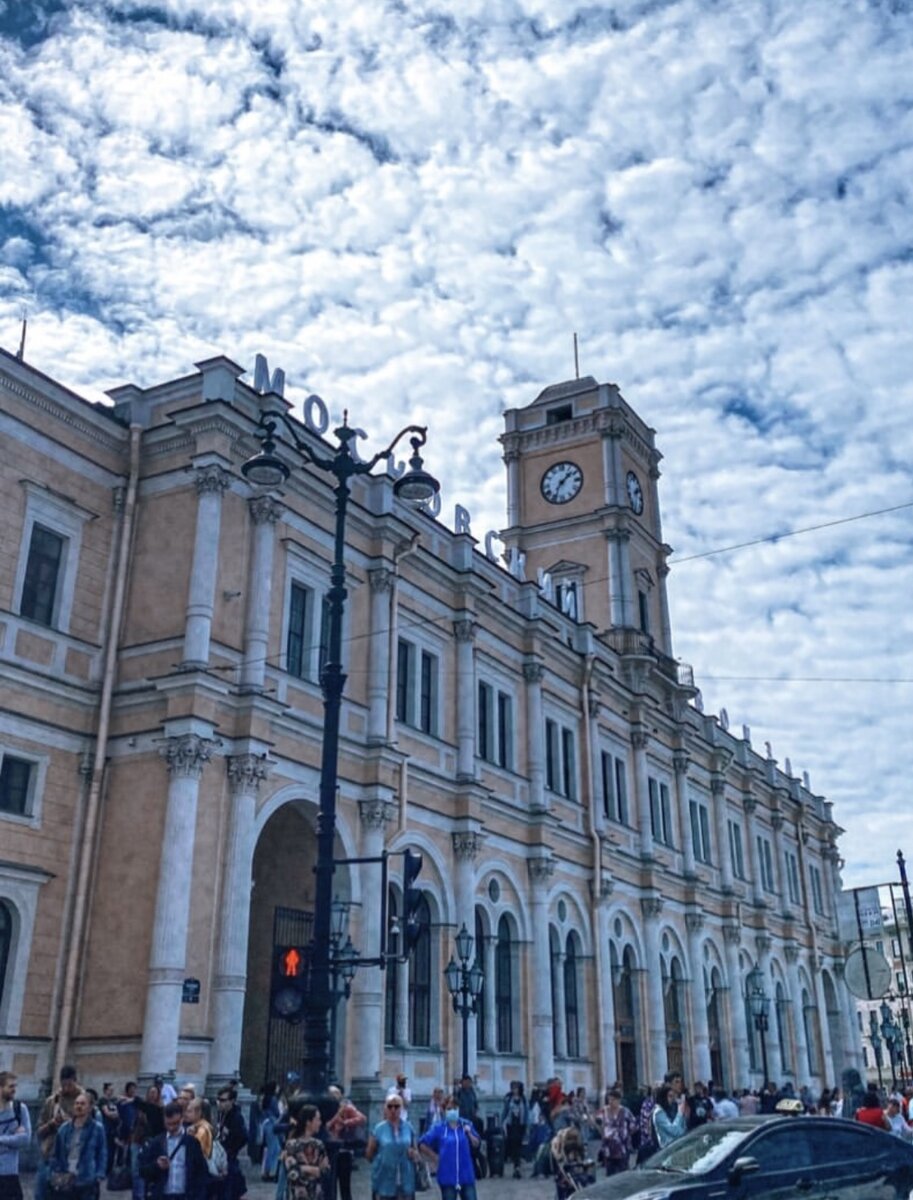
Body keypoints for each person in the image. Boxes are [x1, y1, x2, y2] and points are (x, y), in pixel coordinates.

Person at [140, 1100, 209, 1200]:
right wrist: (156, 1165)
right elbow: (142, 1170)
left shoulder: (192, 1142)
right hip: (163, 1195)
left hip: (186, 1195)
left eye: (175, 1123)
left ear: (182, 1119)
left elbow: (201, 1172)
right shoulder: (157, 1142)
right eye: (168, 1124)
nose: (172, 1128)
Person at [35, 1065, 82, 1200]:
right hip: (49, 1156)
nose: (66, 1088)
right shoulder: (52, 1101)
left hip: (73, 1159)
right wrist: (52, 1124)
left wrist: (69, 1123)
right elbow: (39, 1131)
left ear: (75, 1080)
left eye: (69, 1085)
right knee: (41, 1194)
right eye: (63, 1085)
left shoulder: (84, 1102)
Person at [51, 1092, 107, 1200]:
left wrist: (99, 1174)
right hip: (66, 1178)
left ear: (90, 1107)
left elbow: (102, 1152)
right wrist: (55, 1171)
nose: (79, 1106)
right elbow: (56, 1153)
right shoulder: (64, 1129)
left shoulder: (97, 1128)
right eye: (76, 1103)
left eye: (82, 1104)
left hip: (87, 1178)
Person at [419, 1100, 480, 1200]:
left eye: (455, 1108)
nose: (452, 1111)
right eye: (449, 1109)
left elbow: (476, 1143)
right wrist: (434, 1157)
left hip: (466, 1175)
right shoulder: (439, 1128)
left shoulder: (466, 1124)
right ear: (444, 1110)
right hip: (447, 1176)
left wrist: (469, 1133)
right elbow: (422, 1143)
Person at [366, 1093, 419, 1200]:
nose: (393, 1110)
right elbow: (369, 1154)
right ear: (385, 1108)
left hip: (405, 1179)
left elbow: (415, 1150)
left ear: (402, 1108)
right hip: (384, 1180)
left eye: (396, 1106)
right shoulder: (378, 1129)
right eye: (390, 1106)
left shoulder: (408, 1127)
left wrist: (414, 1154)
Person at [281, 1101, 328, 1200]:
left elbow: (325, 1170)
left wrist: (302, 1168)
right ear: (308, 1121)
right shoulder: (292, 1145)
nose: (319, 1123)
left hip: (316, 1193)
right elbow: (292, 1172)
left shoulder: (319, 1145)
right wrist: (313, 1170)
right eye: (317, 1119)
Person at [325, 1091, 366, 1200]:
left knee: (345, 1185)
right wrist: (337, 1115)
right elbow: (327, 1126)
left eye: (335, 1095)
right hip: (330, 1150)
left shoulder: (347, 1108)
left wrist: (346, 1123)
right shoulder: (327, 1108)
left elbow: (361, 1118)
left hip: (344, 1149)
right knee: (330, 1185)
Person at [0, 1070, 32, 1200]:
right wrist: (13, 1139)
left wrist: (1, 1139)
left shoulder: (20, 1109)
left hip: (10, 1174)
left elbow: (25, 1139)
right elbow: (18, 1139)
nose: (14, 1090)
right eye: (10, 1086)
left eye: (15, 1086)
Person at [215, 1088, 248, 1200]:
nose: (220, 1103)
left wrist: (231, 1149)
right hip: (221, 1155)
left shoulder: (236, 1117)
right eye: (218, 1100)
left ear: (232, 1101)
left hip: (229, 1156)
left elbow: (243, 1137)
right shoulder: (221, 1114)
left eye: (223, 1100)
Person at [597, 1089, 635, 1177]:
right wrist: (602, 1133)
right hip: (608, 1149)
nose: (610, 1102)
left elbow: (633, 1125)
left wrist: (626, 1135)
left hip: (623, 1148)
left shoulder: (625, 1111)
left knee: (623, 1173)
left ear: (618, 1100)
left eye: (613, 1099)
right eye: (609, 1099)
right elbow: (597, 1123)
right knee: (610, 1174)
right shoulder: (604, 1111)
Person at [550, 1127, 594, 1200]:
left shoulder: (578, 1145)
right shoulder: (559, 1144)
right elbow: (560, 1161)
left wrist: (581, 1164)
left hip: (575, 1171)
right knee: (562, 1187)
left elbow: (582, 1158)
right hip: (563, 1171)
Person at [501, 1081, 528, 1180]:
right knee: (513, 1146)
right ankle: (516, 1166)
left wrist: (527, 1126)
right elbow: (505, 1111)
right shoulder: (508, 1099)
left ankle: (517, 1166)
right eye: (513, 1088)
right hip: (511, 1125)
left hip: (520, 1125)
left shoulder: (523, 1099)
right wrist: (502, 1122)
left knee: (519, 1146)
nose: (514, 1090)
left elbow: (526, 1113)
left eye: (516, 1088)